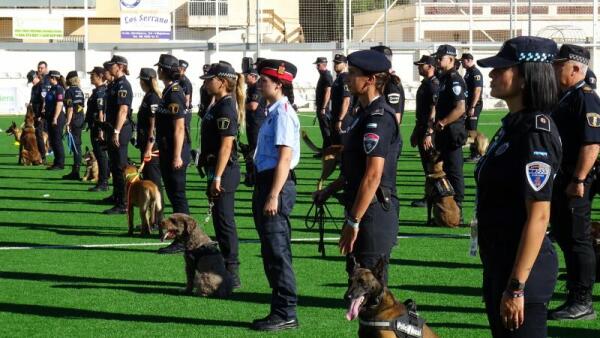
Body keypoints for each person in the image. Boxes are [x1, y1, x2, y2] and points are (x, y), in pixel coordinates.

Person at [475, 36, 562, 337]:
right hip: (501, 261)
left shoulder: (535, 132)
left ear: (526, 77)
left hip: (523, 270)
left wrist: (516, 286)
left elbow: (539, 214)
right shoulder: (513, 126)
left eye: (502, 68)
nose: (492, 74)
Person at [314, 49, 401, 285]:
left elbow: (373, 175)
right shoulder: (362, 114)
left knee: (371, 288)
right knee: (357, 281)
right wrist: (330, 190)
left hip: (372, 213)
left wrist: (354, 221)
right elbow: (354, 167)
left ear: (371, 80)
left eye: (353, 73)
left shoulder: (379, 117)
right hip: (359, 207)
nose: (346, 78)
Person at [548, 44, 600, 321]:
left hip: (576, 178)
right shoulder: (566, 96)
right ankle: (575, 292)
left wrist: (579, 179)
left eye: (560, 65)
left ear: (577, 67)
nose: (555, 70)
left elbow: (591, 144)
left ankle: (583, 301)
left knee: (578, 237)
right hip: (565, 176)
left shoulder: (585, 97)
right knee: (566, 235)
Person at [251, 59, 300, 331]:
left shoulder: (282, 113)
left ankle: (286, 312)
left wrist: (273, 195)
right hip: (267, 182)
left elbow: (284, 158)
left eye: (265, 80)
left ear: (279, 85)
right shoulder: (273, 111)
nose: (260, 84)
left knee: (277, 251)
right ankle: (280, 310)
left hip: (275, 184)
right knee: (271, 251)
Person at [195, 61, 245, 286]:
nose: (206, 84)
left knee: (225, 221)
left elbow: (226, 145)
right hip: (216, 168)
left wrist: (217, 177)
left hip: (224, 171)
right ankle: (225, 267)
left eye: (210, 80)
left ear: (222, 82)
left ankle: (232, 271)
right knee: (219, 219)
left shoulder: (226, 107)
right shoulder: (217, 103)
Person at [155, 54, 191, 254]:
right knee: (174, 195)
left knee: (178, 197)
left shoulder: (174, 93)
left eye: (160, 68)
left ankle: (183, 238)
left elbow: (179, 127)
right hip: (168, 149)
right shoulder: (168, 91)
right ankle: (181, 236)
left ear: (164, 70)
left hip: (175, 152)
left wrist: (177, 155)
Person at [433, 44, 467, 220]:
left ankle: (457, 209)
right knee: (446, 168)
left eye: (441, 58)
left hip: (453, 131)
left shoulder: (454, 79)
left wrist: (443, 122)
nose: (438, 61)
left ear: (452, 60)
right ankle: (447, 207)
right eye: (437, 58)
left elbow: (460, 108)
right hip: (444, 132)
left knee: (454, 170)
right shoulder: (444, 78)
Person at [103, 55, 134, 214]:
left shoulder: (123, 85)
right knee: (114, 164)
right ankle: (117, 195)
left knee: (120, 166)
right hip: (113, 127)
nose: (109, 68)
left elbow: (123, 110)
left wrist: (116, 131)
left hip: (120, 129)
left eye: (112, 65)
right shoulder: (114, 84)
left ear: (120, 66)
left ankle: (123, 203)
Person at [410, 55, 440, 208]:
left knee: (431, 165)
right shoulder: (426, 83)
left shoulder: (433, 85)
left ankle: (433, 197)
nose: (418, 67)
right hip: (422, 127)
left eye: (421, 65)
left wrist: (428, 132)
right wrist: (417, 130)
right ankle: (430, 196)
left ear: (430, 67)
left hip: (430, 131)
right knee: (427, 165)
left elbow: (434, 110)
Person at [136, 68, 164, 202]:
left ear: (144, 81)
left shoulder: (153, 97)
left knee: (154, 182)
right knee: (147, 181)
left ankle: (158, 218)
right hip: (146, 143)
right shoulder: (149, 96)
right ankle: (150, 220)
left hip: (151, 147)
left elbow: (154, 125)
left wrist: (148, 147)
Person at [85, 66, 110, 192]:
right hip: (94, 126)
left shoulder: (101, 91)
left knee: (101, 155)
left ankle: (103, 182)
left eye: (93, 75)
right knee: (100, 155)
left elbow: (101, 112)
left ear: (100, 76)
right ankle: (103, 180)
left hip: (98, 128)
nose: (90, 77)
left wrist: (101, 130)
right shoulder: (97, 91)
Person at [243, 64, 265, 186]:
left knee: (255, 150)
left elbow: (253, 106)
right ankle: (252, 175)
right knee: (252, 148)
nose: (245, 78)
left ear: (253, 76)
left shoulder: (256, 88)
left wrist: (239, 107)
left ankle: (256, 175)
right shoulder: (250, 88)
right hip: (252, 122)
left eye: (246, 75)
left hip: (257, 122)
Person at [460, 53, 485, 162]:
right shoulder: (468, 73)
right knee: (468, 128)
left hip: (474, 105)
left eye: (463, 61)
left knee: (472, 130)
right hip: (468, 105)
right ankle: (474, 152)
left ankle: (477, 153)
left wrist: (472, 106)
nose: (461, 63)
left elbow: (477, 90)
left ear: (469, 60)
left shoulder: (475, 73)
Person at [62, 71, 86, 180]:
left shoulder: (69, 91)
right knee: (77, 144)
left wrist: (67, 123)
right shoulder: (80, 91)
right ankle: (76, 169)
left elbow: (70, 108)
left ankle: (76, 171)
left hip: (74, 119)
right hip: (80, 118)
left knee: (76, 145)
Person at [44, 70, 66, 170]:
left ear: (53, 78)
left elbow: (59, 104)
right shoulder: (52, 88)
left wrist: (55, 118)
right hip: (50, 116)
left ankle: (60, 163)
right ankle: (56, 162)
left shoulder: (59, 89)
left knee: (57, 141)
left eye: (49, 77)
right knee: (52, 141)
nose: (48, 79)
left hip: (56, 117)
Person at [330, 53, 352, 145]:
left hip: (344, 117)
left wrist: (340, 119)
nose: (336, 65)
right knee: (336, 145)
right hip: (336, 115)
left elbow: (346, 100)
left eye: (338, 63)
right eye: (335, 62)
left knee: (342, 145)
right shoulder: (338, 78)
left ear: (345, 65)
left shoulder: (345, 78)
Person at [32, 61, 51, 163]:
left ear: (46, 68)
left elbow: (44, 99)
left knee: (45, 134)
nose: (40, 70)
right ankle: (42, 155)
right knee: (39, 134)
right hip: (38, 113)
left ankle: (44, 155)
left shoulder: (47, 80)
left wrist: (41, 112)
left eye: (42, 68)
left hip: (45, 113)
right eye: (39, 68)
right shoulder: (38, 83)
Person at [314, 56, 333, 154]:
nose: (316, 67)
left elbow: (328, 92)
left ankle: (329, 150)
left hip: (324, 108)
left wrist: (323, 107)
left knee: (326, 129)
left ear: (324, 65)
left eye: (318, 65)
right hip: (321, 107)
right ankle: (326, 149)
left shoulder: (326, 75)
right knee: (324, 129)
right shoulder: (323, 75)